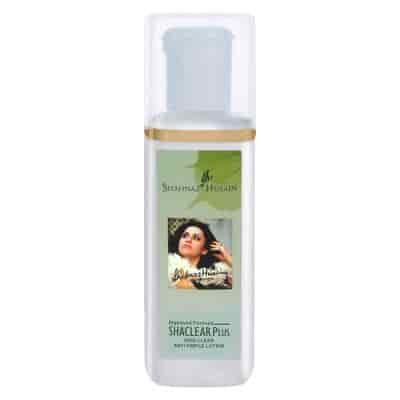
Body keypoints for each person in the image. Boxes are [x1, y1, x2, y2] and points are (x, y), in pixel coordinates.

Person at [168, 219, 232, 289]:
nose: (188, 240)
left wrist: (226, 256)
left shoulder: (218, 276)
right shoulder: (167, 267)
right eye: (184, 236)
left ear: (204, 250)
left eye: (196, 238)